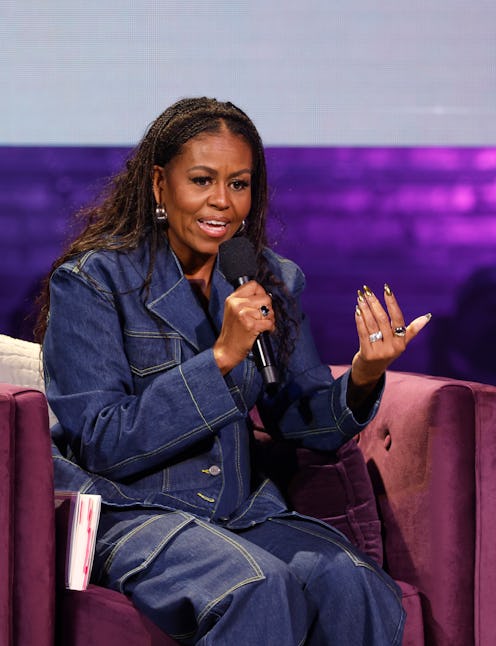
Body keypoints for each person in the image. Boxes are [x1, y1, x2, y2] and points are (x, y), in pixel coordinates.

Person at [37, 97, 431, 645]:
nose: (222, 202)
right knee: (257, 585)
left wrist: (365, 373)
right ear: (159, 185)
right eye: (201, 180)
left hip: (238, 514)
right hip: (129, 512)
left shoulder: (268, 279)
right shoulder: (94, 282)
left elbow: (300, 420)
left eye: (239, 184)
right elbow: (105, 441)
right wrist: (220, 358)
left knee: (352, 582)